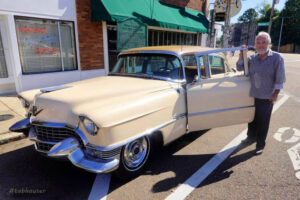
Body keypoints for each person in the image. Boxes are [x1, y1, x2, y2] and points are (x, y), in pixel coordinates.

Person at [237, 32, 286, 155]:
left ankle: (260, 144)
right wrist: (241, 54)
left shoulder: (276, 57)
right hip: (253, 95)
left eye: (264, 42)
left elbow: (280, 78)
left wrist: (275, 94)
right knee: (252, 119)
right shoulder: (252, 58)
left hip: (267, 96)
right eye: (258, 42)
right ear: (255, 45)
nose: (261, 45)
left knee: (263, 122)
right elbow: (240, 68)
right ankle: (250, 137)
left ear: (269, 43)